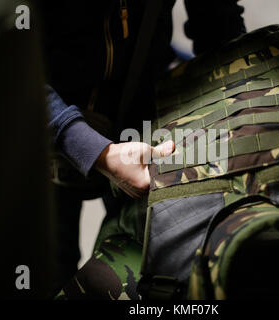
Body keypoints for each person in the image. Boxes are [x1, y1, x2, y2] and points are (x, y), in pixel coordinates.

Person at [39, 0, 246, 292]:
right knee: (46, 275)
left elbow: (217, 23)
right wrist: (88, 146)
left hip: (142, 126)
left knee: (148, 273)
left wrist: (237, 105)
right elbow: (4, 65)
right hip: (38, 129)